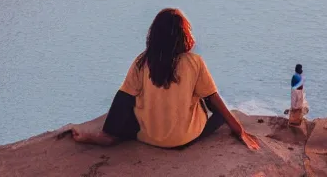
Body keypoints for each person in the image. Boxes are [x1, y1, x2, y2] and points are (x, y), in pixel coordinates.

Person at [62, 8, 259, 150]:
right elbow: (214, 100)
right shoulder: (194, 62)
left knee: (128, 98)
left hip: (149, 137)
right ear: (184, 35)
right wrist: (239, 130)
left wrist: (109, 131)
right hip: (185, 139)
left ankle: (108, 137)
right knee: (215, 109)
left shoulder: (142, 61)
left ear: (154, 35)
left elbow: (123, 100)